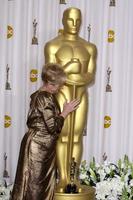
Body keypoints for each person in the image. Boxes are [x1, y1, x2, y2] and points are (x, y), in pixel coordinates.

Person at [44, 7, 97, 192]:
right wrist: (69, 68)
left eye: (78, 20)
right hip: (61, 95)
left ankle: (74, 178)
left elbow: (90, 75)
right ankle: (62, 178)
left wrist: (72, 77)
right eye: (70, 20)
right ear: (63, 20)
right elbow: (50, 74)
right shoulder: (53, 45)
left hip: (80, 95)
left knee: (75, 138)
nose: (74, 24)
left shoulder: (89, 47)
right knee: (62, 136)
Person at [11, 63, 80, 200]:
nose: (60, 88)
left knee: (33, 183)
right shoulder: (45, 97)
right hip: (38, 147)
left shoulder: (39, 96)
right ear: (49, 83)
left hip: (39, 145)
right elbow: (53, 127)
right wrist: (65, 112)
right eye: (59, 85)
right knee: (35, 185)